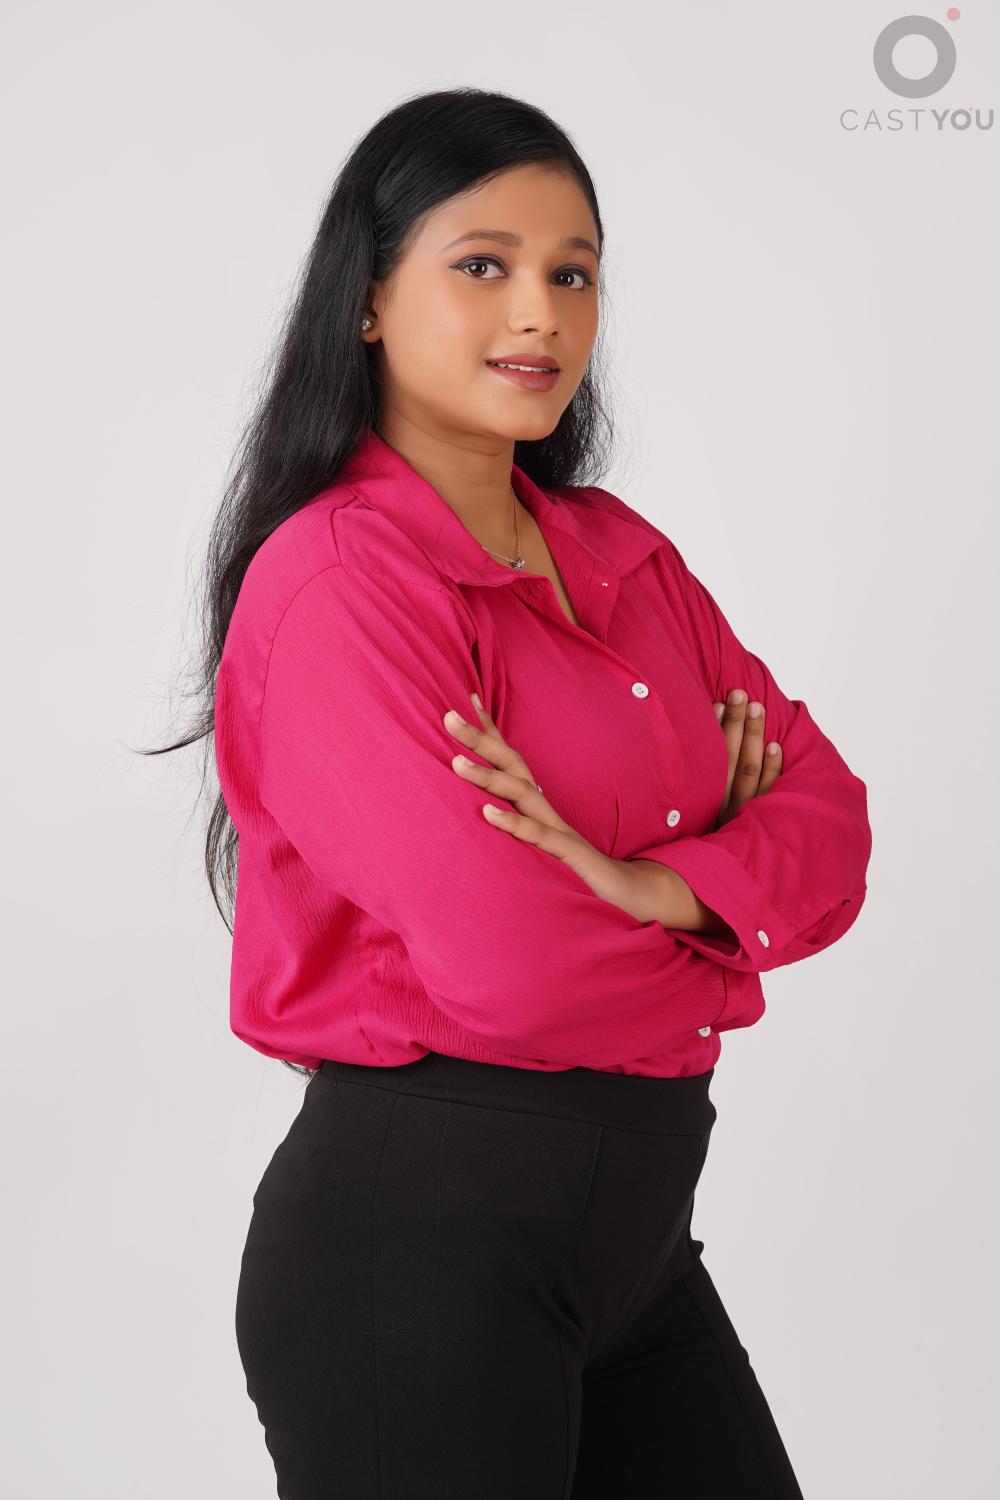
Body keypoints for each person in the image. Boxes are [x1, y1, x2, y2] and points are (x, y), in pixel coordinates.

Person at [207, 88, 871, 1498]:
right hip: (419, 1259)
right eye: (483, 264)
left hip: (637, 1255)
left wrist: (648, 884)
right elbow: (514, 966)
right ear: (367, 298)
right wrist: (731, 929)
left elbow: (831, 815)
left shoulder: (622, 553)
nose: (542, 313)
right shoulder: (342, 585)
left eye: (574, 273)